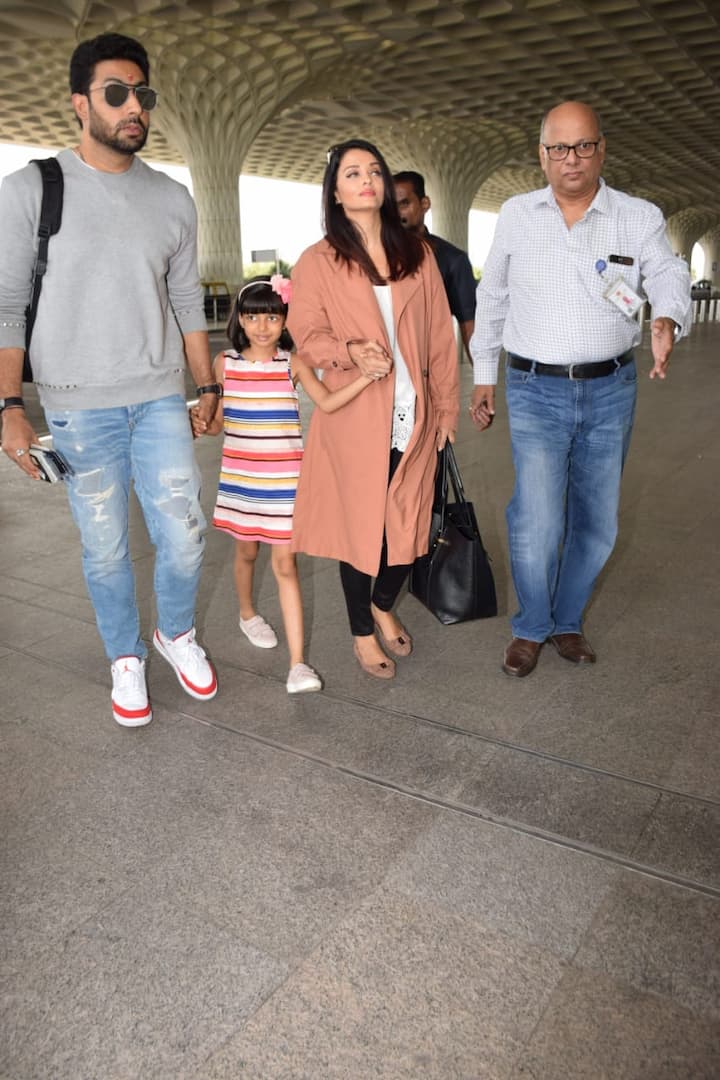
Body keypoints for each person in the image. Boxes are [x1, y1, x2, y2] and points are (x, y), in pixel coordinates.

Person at [0, 32, 219, 726]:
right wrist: (7, 405)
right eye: (116, 93)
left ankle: (175, 633)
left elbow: (188, 303)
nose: (134, 108)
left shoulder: (173, 200)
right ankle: (125, 656)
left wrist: (207, 385)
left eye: (142, 94)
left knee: (185, 535)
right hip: (76, 408)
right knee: (106, 548)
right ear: (79, 104)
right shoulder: (31, 189)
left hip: (158, 397)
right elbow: (5, 306)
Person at [469, 101, 691, 678]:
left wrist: (666, 316)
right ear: (542, 155)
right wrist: (483, 375)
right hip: (535, 387)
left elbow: (666, 272)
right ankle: (531, 626)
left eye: (584, 146)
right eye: (560, 148)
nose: (573, 158)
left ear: (602, 149)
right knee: (537, 519)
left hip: (611, 387)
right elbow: (491, 297)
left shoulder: (636, 216)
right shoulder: (518, 214)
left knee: (596, 521)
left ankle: (567, 621)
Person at [287, 138, 459, 679]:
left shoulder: (418, 254)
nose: (366, 179)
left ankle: (384, 601)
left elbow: (440, 342)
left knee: (405, 533)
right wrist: (347, 352)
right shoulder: (317, 261)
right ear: (335, 192)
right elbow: (305, 334)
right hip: (355, 416)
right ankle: (362, 630)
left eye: (374, 171)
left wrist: (447, 414)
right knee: (361, 531)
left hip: (415, 414)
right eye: (352, 172)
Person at [192, 275, 377, 693]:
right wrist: (203, 423)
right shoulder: (226, 365)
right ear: (240, 319)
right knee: (245, 555)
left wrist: (366, 376)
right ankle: (247, 614)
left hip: (285, 484)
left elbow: (327, 402)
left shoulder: (291, 364)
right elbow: (222, 423)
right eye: (253, 317)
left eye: (272, 317)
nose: (262, 326)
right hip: (241, 481)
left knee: (285, 565)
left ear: (284, 320)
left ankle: (298, 665)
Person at [393, 170, 477, 363]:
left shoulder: (452, 260)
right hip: (380, 374)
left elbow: (468, 323)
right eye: (390, 207)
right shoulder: (373, 255)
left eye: (404, 204)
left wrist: (483, 380)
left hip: (428, 369)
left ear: (424, 204)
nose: (396, 214)